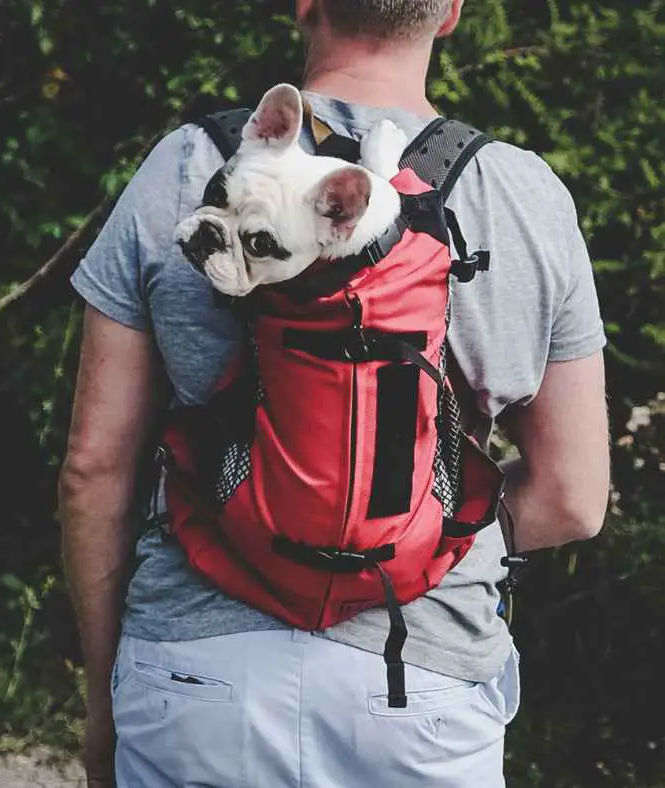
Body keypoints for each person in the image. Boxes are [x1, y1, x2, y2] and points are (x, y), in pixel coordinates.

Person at [58, 1, 611, 785]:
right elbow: (574, 498)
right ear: (451, 13)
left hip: (196, 675)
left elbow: (93, 466)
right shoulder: (525, 194)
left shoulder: (189, 165)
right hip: (421, 684)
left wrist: (105, 701)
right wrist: (423, 534)